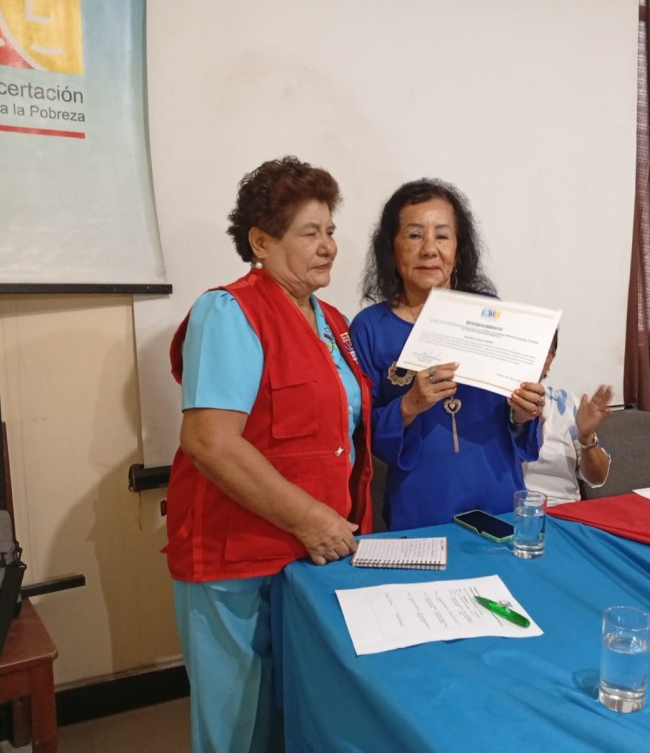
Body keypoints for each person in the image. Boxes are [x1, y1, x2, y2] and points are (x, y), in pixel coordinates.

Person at [164, 156, 373, 753]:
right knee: (237, 729)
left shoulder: (332, 321)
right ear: (261, 242)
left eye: (330, 230)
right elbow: (210, 441)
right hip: (238, 557)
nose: (328, 246)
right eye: (310, 233)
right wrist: (310, 518)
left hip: (312, 556)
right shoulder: (229, 312)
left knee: (298, 717)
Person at [350, 178, 544, 530]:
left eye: (442, 236)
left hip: (498, 499)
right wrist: (409, 405)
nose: (429, 249)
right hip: (419, 507)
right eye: (414, 235)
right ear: (391, 250)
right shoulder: (370, 328)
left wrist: (523, 412)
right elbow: (361, 434)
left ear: (459, 249)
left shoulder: (490, 312)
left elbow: (517, 422)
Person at [523, 329, 614, 504]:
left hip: (563, 510)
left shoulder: (566, 405)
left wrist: (586, 438)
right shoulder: (484, 406)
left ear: (551, 358)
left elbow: (598, 478)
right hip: (508, 511)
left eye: (540, 349)